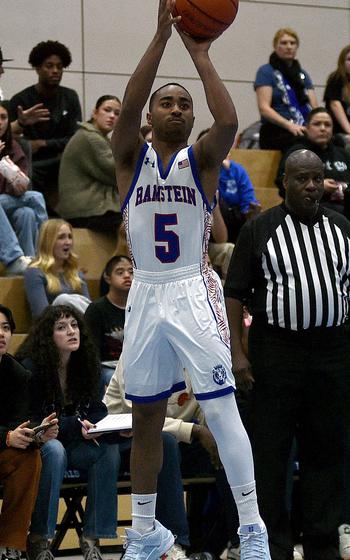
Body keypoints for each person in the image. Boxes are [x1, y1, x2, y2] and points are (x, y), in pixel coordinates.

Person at [112, 2, 271, 559]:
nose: (177, 109)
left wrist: (201, 55)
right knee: (147, 419)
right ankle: (146, 532)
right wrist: (160, 37)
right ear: (152, 115)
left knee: (222, 407)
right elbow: (129, 104)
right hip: (145, 293)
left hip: (190, 288)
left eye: (184, 104)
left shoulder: (201, 161)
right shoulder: (129, 158)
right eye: (167, 102)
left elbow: (227, 122)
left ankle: (253, 528)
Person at [224, 149, 350, 560]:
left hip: (332, 352)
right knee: (272, 453)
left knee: (326, 452)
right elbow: (235, 294)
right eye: (302, 179)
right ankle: (273, 545)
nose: (311, 186)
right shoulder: (259, 230)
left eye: (316, 178)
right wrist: (238, 355)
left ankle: (322, 544)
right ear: (285, 182)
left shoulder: (343, 227)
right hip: (276, 351)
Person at [16, 305, 119, 560]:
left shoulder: (87, 365)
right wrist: (76, 424)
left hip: (74, 442)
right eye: (61, 328)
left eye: (74, 325)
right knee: (54, 449)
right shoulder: (32, 368)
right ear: (48, 337)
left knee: (108, 448)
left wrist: (99, 426)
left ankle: (92, 537)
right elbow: (32, 419)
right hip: (39, 444)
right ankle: (39, 539)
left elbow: (96, 409)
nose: (71, 332)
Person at [9, 40, 82, 210]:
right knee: (31, 172)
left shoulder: (69, 97)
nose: (55, 71)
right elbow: (12, 140)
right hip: (31, 161)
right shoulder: (21, 100)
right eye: (49, 66)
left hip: (62, 158)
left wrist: (43, 143)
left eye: (59, 66)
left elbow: (75, 138)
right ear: (37, 68)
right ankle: (46, 217)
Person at [0, 304, 42, 559]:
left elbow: (21, 420)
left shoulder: (17, 373)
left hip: (2, 451)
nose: (1, 334)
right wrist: (7, 436)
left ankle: (10, 545)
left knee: (30, 457)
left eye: (5, 328)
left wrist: (36, 434)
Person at [58, 95, 122, 232]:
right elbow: (117, 172)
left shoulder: (97, 137)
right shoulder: (91, 137)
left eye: (117, 113)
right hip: (87, 211)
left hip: (90, 208)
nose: (112, 116)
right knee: (136, 223)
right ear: (94, 113)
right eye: (107, 110)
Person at [0, 100, 48, 272]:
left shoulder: (14, 146)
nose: (0, 122)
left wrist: (11, 175)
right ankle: (17, 257)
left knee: (26, 213)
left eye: (3, 117)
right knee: (36, 197)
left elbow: (21, 186)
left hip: (7, 204)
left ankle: (33, 264)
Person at [276, 107, 350, 217]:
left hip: (344, 210)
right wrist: (319, 186)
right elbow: (283, 184)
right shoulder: (296, 153)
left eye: (327, 125)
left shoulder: (343, 153)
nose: (323, 128)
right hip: (309, 211)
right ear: (307, 127)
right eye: (317, 124)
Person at [254, 28, 317, 152]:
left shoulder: (302, 75)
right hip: (277, 130)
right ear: (275, 46)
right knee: (303, 144)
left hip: (304, 127)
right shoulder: (266, 71)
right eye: (284, 43)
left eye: (292, 43)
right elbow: (264, 108)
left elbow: (314, 107)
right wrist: (290, 126)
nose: (289, 46)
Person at [24, 219, 90, 317]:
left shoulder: (76, 274)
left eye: (70, 237)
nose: (68, 242)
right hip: (50, 327)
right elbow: (42, 315)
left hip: (78, 327)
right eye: (61, 237)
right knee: (62, 300)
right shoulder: (35, 272)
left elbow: (88, 308)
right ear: (48, 242)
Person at [85, 255, 133, 391]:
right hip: (107, 367)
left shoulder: (141, 308)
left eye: (131, 272)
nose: (127, 276)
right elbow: (91, 351)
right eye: (120, 272)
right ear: (107, 278)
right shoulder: (96, 309)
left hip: (136, 366)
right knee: (119, 381)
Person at [324, 45, 350, 151]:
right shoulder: (336, 78)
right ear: (342, 62)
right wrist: (349, 130)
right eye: (349, 59)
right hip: (339, 133)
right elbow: (335, 105)